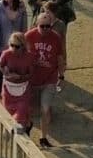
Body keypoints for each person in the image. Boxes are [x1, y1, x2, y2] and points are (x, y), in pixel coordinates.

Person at [24, 8, 67, 148]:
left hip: (49, 79)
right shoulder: (29, 36)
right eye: (42, 26)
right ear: (37, 24)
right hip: (31, 79)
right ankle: (28, 126)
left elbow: (60, 57)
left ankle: (43, 137)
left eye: (47, 26)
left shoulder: (55, 38)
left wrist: (61, 74)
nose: (44, 29)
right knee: (29, 109)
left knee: (45, 108)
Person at [0, 29, 40, 132]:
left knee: (20, 116)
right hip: (8, 89)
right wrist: (7, 73)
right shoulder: (6, 54)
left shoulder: (29, 57)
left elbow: (31, 74)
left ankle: (22, 134)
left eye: (17, 46)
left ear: (23, 46)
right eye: (12, 45)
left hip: (23, 90)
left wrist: (19, 77)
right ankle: (25, 126)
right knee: (8, 113)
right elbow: (0, 65)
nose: (13, 48)